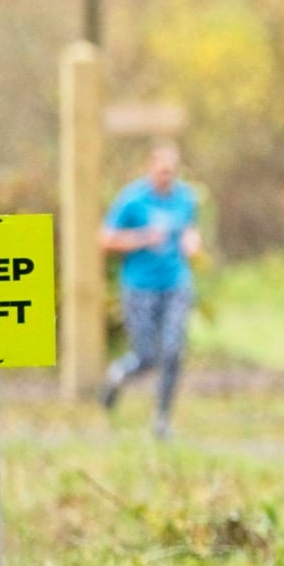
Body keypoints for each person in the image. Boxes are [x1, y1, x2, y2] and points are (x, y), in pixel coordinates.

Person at [98, 142, 201, 441]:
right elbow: (105, 239)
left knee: (172, 351)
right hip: (139, 286)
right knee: (146, 356)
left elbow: (189, 230)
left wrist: (192, 242)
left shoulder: (185, 198)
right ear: (150, 168)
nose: (167, 176)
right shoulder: (132, 199)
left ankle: (161, 420)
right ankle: (117, 377)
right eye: (162, 171)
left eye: (172, 171)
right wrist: (142, 238)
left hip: (175, 284)